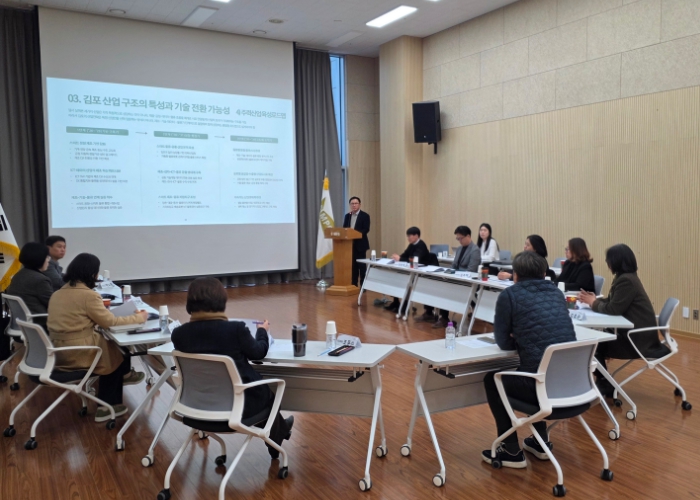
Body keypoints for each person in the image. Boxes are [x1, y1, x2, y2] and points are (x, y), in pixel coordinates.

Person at [171, 277, 294, 459]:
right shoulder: (235, 330)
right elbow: (258, 352)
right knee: (267, 397)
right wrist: (262, 331)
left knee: (261, 399)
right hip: (239, 407)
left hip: (196, 407)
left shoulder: (179, 335)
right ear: (221, 301)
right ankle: (279, 433)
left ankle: (280, 430)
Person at [482, 251, 576, 468]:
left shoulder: (510, 296)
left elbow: (503, 342)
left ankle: (510, 450)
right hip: (570, 386)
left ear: (515, 275)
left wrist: (519, 337)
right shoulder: (557, 293)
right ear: (544, 274)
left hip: (540, 387)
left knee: (494, 379)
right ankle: (541, 442)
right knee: (535, 368)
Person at [47, 253, 147, 422]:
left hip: (58, 350)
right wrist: (139, 318)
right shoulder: (88, 295)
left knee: (113, 347)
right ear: (92, 274)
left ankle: (124, 376)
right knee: (116, 353)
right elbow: (110, 322)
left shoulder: (58, 293)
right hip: (79, 351)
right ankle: (107, 406)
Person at [578, 244, 668, 397]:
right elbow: (614, 302)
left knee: (591, 345)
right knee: (595, 342)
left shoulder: (626, 280)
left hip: (636, 340)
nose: (607, 264)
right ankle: (603, 381)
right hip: (638, 335)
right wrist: (594, 300)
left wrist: (593, 303)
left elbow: (613, 309)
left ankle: (605, 383)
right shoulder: (626, 277)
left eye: (609, 260)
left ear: (616, 262)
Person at [416, 226, 480, 328]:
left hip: (467, 282)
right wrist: (448, 272)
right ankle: (431, 312)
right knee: (435, 285)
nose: (459, 241)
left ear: (468, 236)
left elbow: (471, 271)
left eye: (461, 238)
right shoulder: (459, 249)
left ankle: (444, 318)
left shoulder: (475, 250)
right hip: (456, 279)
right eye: (458, 238)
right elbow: (454, 265)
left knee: (444, 289)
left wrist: (455, 273)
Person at [384, 227, 430, 313]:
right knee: (396, 278)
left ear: (416, 236)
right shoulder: (411, 245)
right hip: (411, 270)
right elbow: (405, 254)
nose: (408, 238)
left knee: (405, 282)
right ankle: (396, 302)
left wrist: (400, 258)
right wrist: (398, 258)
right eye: (407, 236)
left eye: (409, 236)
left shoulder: (421, 245)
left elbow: (415, 259)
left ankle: (404, 306)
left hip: (420, 272)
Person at [5, 243, 54, 322]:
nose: (49, 260)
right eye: (47, 257)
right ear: (39, 258)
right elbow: (55, 304)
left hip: (22, 323)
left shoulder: (18, 275)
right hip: (41, 322)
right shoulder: (40, 280)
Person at [342, 196, 370, 287]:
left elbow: (366, 229)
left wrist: (355, 234)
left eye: (356, 203)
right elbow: (344, 229)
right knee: (353, 266)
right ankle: (353, 284)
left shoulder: (365, 216)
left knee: (361, 266)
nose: (354, 205)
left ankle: (363, 285)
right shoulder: (347, 216)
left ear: (359, 204)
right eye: (352, 204)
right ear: (350, 205)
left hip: (360, 245)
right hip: (350, 245)